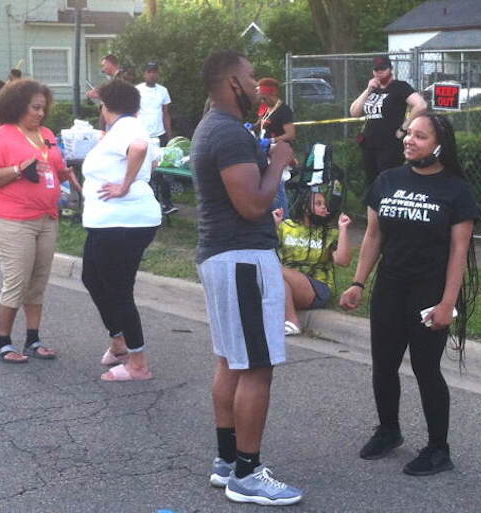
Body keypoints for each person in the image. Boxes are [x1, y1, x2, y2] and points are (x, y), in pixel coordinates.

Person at [192, 50, 303, 505]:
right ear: (234, 83)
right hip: (241, 257)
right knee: (256, 365)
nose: (258, 82)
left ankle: (227, 463)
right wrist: (278, 160)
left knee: (231, 360)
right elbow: (254, 205)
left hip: (224, 255)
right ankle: (247, 473)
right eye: (251, 76)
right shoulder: (227, 134)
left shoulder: (217, 128)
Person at [340, 112, 478, 476]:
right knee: (383, 364)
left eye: (419, 135)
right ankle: (388, 430)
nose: (408, 140)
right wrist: (358, 282)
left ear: (438, 144)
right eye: (407, 133)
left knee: (425, 368)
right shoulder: (387, 181)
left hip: (429, 292)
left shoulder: (456, 190)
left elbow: (458, 252)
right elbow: (373, 236)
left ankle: (438, 449)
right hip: (390, 286)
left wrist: (448, 303)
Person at [0, 79, 78, 363]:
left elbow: (57, 167)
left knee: (38, 281)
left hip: (47, 217)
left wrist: (63, 174)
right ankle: (3, 342)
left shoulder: (46, 133)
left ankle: (33, 339)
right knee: (17, 280)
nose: (40, 113)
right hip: (12, 219)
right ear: (18, 106)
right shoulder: (0, 136)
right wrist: (17, 169)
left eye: (43, 108)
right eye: (35, 108)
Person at [79, 79, 161, 381]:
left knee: (118, 292)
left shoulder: (127, 129)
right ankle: (119, 343)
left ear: (106, 107)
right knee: (92, 278)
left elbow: (139, 149)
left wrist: (124, 185)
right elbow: (149, 160)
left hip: (123, 224)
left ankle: (138, 363)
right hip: (108, 223)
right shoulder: (124, 128)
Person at [273, 190, 351, 336]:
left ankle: (292, 321)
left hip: (318, 288)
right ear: (304, 207)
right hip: (288, 283)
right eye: (318, 203)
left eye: (325, 205)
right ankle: (287, 322)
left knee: (274, 270)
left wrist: (343, 229)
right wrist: (274, 225)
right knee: (273, 274)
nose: (324, 208)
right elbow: (265, 249)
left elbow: (343, 261)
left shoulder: (328, 233)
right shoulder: (287, 227)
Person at [349, 55, 427, 186]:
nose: (379, 72)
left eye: (383, 69)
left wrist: (404, 128)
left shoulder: (400, 87)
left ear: (390, 69)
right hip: (369, 144)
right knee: (372, 184)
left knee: (388, 183)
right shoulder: (373, 89)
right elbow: (354, 112)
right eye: (376, 69)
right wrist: (368, 91)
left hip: (389, 145)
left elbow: (421, 105)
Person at [136, 61, 177, 216]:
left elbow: (166, 113)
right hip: (142, 137)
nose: (152, 74)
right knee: (144, 171)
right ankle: (146, 203)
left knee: (163, 170)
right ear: (144, 74)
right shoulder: (137, 90)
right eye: (149, 72)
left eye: (155, 72)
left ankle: (167, 203)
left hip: (159, 136)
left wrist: (169, 135)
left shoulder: (163, 91)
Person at [257, 77, 295, 215]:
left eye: (264, 97)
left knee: (278, 188)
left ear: (272, 94)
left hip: (278, 154)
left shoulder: (284, 110)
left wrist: (272, 140)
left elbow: (290, 134)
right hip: (264, 152)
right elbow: (261, 123)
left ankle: (284, 219)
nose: (262, 101)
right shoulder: (265, 108)